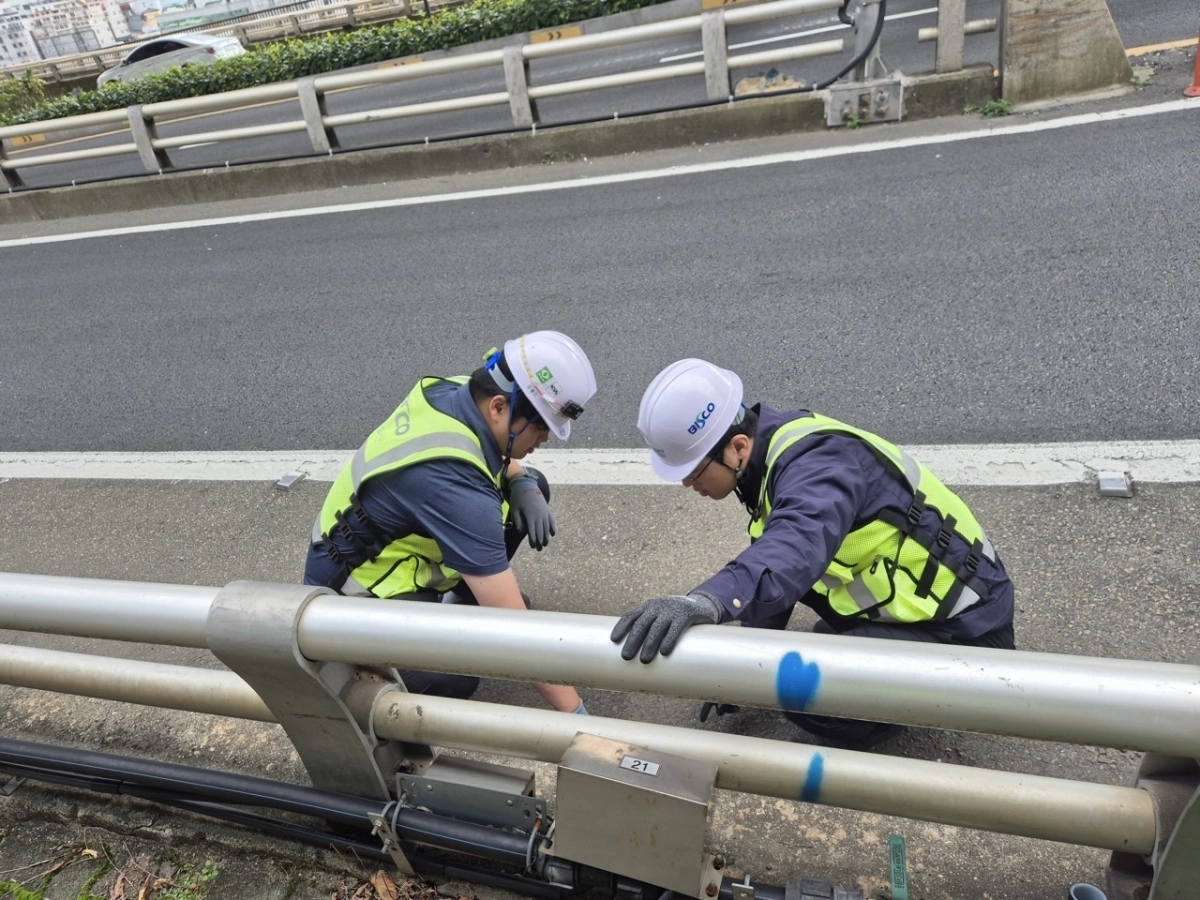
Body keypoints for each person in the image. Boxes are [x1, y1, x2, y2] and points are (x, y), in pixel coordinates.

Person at [611, 358, 1016, 747]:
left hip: (970, 634)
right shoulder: (773, 453)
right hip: (934, 617)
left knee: (800, 688)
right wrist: (734, 663)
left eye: (693, 471)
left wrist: (707, 601)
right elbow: (774, 555)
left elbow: (794, 548)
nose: (687, 485)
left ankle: (880, 728)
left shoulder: (819, 467)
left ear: (737, 447)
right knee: (815, 645)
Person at [305, 330, 596, 715]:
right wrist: (575, 714)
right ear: (497, 407)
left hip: (363, 551)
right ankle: (363, 672)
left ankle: (463, 598)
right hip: (349, 604)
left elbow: (496, 459)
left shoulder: (456, 392)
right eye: (541, 425)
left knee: (531, 487)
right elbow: (519, 635)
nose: (544, 437)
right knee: (456, 675)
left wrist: (521, 478)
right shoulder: (451, 485)